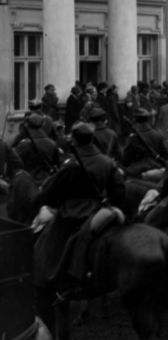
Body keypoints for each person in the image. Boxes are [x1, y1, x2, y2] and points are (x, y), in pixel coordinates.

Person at [34, 122, 126, 292]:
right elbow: (119, 191)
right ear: (92, 138)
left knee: (49, 240)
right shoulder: (107, 162)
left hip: (73, 212)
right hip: (100, 210)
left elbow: (49, 189)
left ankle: (52, 280)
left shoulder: (71, 165)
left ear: (75, 141)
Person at [13, 114, 61, 181]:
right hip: (47, 183)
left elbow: (13, 164)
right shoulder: (53, 144)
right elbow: (57, 167)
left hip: (29, 183)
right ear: (41, 127)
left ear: (28, 127)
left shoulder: (24, 145)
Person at [122, 108, 167, 178]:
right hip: (157, 167)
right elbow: (165, 154)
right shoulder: (158, 133)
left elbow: (125, 160)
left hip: (139, 172)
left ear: (135, 120)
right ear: (148, 119)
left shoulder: (133, 138)